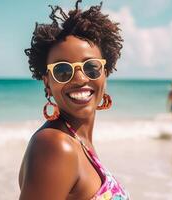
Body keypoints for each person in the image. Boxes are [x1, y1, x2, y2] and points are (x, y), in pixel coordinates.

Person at [18, 1, 129, 199]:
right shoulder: (55, 146)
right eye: (62, 71)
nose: (80, 79)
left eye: (91, 67)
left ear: (105, 72)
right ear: (47, 83)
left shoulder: (78, 141)